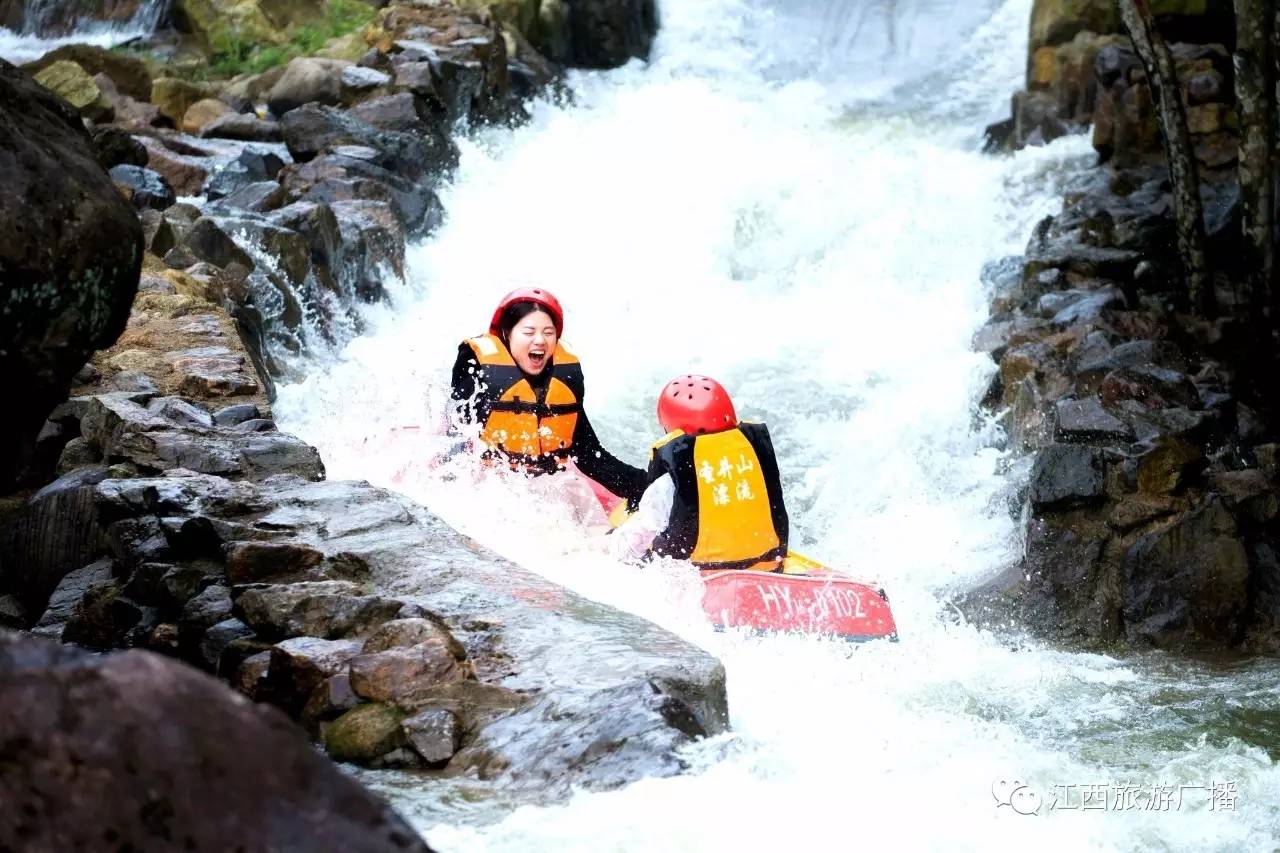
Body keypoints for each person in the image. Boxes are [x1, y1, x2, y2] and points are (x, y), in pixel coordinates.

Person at [447, 287, 648, 507]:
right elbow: (459, 442)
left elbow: (590, 456)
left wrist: (646, 486)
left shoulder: (563, 381)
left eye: (548, 332)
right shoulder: (479, 374)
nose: (540, 340)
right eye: (529, 332)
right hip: (491, 488)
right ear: (507, 333)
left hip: (545, 487)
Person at [611, 374, 789, 571]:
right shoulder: (751, 454)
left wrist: (610, 547)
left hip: (698, 575)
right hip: (767, 564)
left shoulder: (667, 484)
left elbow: (635, 540)